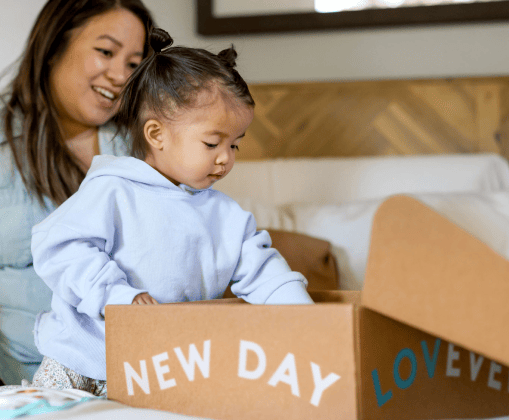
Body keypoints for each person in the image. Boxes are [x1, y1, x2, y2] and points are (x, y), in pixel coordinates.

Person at [29, 28, 313, 397]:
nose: (226, 157)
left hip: (158, 369)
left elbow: (265, 273)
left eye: (236, 145)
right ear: (156, 134)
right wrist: (118, 295)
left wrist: (309, 321)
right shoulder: (113, 189)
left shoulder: (226, 217)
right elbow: (58, 247)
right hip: (77, 360)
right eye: (212, 143)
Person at [0, 0, 154, 385]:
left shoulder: (145, 151)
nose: (120, 75)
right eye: (105, 52)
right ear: (53, 48)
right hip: (26, 381)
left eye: (133, 64)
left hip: (136, 374)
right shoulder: (6, 148)